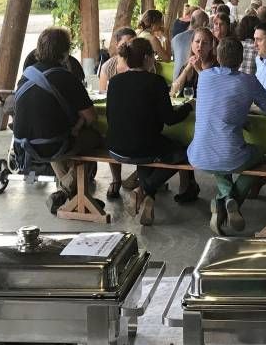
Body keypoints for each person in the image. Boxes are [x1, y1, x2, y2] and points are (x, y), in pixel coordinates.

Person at [188, 38, 266, 235]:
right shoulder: (248, 81)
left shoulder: (204, 77)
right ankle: (230, 201)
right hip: (229, 155)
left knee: (220, 151)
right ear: (241, 59)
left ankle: (224, 200)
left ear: (218, 57)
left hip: (198, 154)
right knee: (260, 156)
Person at [106, 37, 196, 225]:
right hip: (145, 146)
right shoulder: (155, 82)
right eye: (153, 56)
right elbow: (170, 120)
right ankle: (142, 190)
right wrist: (188, 107)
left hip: (115, 147)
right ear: (147, 57)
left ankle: (149, 197)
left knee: (146, 149)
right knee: (185, 153)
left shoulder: (114, 82)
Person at [13, 27, 103, 214]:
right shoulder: (66, 77)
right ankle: (70, 190)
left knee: (53, 136)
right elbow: (91, 116)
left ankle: (66, 195)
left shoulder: (26, 75)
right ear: (65, 52)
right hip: (54, 146)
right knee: (96, 138)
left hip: (27, 148)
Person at [97, 26, 137, 200]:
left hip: (137, 116)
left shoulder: (142, 63)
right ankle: (116, 179)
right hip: (116, 116)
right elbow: (102, 94)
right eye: (125, 43)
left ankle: (140, 177)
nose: (129, 46)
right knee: (111, 130)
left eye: (132, 43)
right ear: (117, 44)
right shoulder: (108, 66)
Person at [170, 27, 216, 98]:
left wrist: (199, 70)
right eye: (197, 41)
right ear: (191, 44)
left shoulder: (215, 66)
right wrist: (186, 69)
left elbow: (211, 92)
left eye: (205, 43)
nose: (200, 46)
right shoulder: (187, 65)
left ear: (210, 47)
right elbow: (173, 93)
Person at [171, 9, 209, 81]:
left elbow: (175, 59)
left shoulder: (175, 39)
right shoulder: (203, 40)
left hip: (176, 80)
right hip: (192, 81)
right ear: (204, 24)